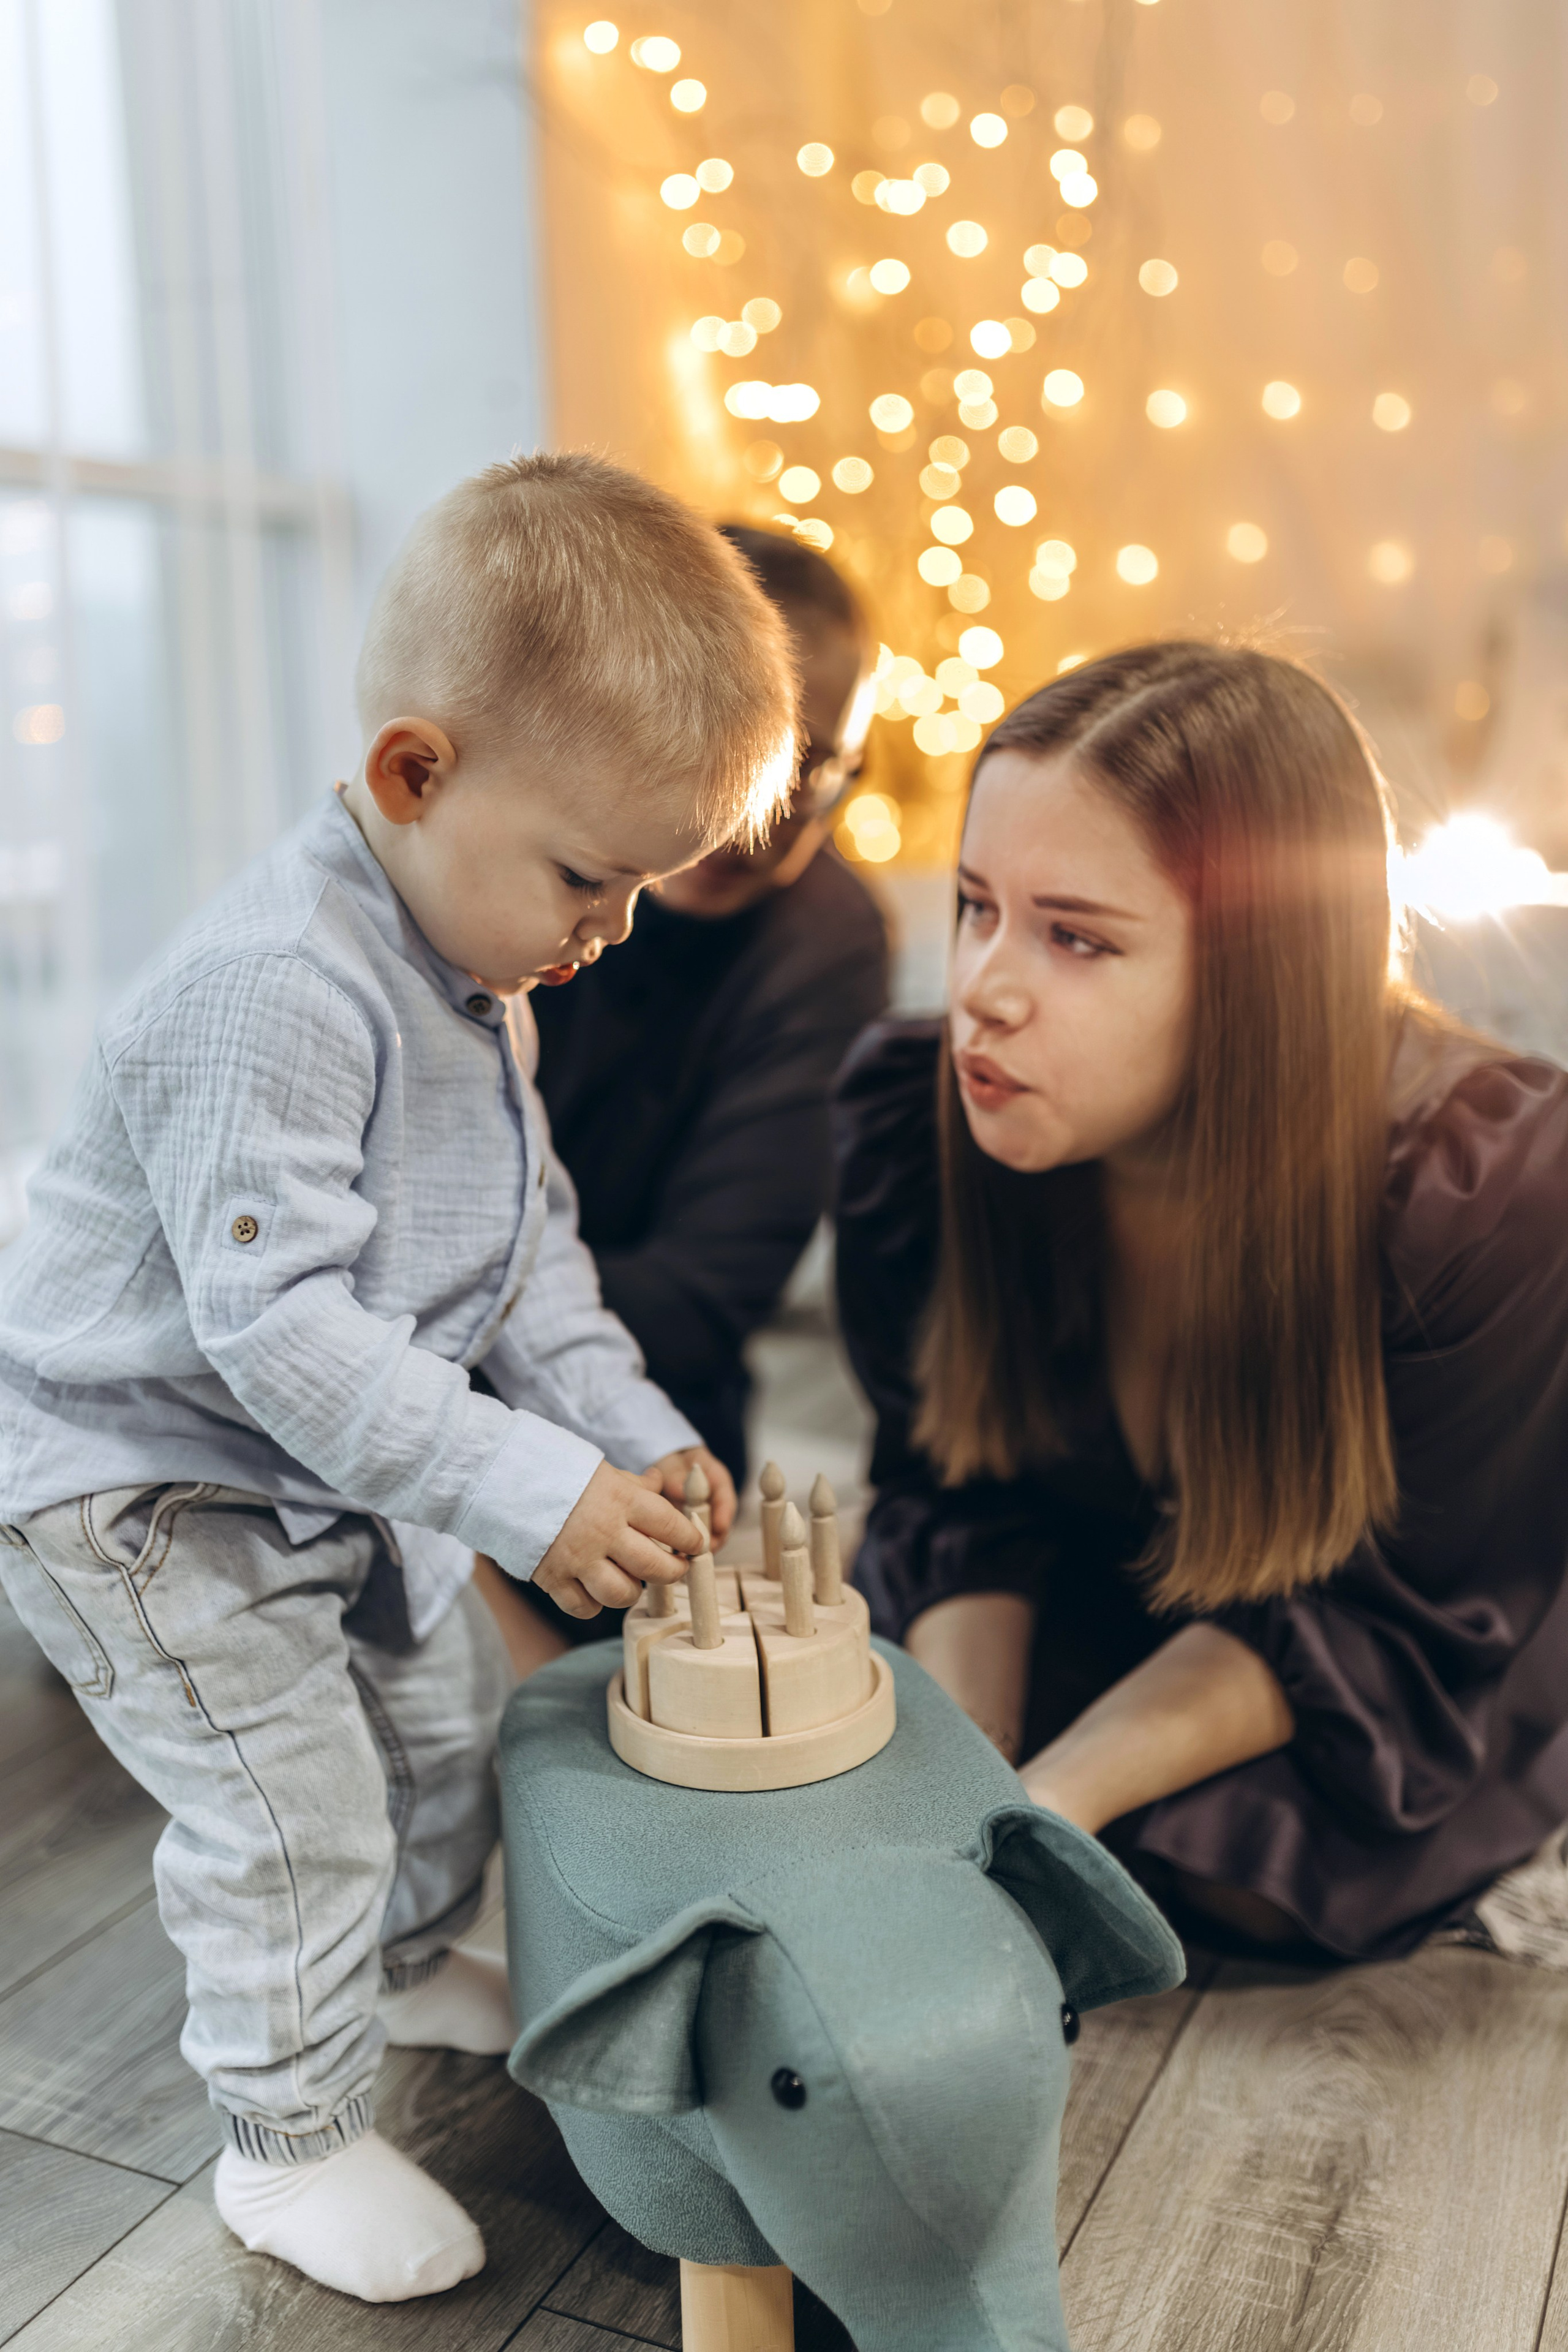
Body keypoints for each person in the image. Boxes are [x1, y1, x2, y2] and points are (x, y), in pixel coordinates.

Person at [0, 453, 795, 2302]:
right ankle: (282, 2142)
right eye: (588, 877)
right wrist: (530, 1493)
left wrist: (632, 1441)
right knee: (293, 1810)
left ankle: (412, 1961)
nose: (610, 931)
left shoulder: (481, 979)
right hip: (143, 1487)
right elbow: (275, 1331)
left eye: (641, 889)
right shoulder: (275, 986)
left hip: (322, 1458)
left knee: (446, 1733)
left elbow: (526, 1261)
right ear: (415, 773)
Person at [834, 640, 1568, 1964]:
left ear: (1259, 967)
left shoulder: (1484, 1193)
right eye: (976, 906)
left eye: (1074, 937)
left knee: (1239, 1874)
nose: (982, 992)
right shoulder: (917, 1121)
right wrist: (966, 1777)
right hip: (1102, 1576)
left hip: (1394, 1642)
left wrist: (1049, 1810)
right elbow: (955, 1497)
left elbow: (1390, 1615)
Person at [531, 524, 889, 1491]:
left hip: (651, 1452)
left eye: (806, 768)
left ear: (855, 771)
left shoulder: (828, 940)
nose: (750, 816)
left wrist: (434, 1286)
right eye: (716, 744)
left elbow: (704, 1297)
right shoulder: (501, 864)